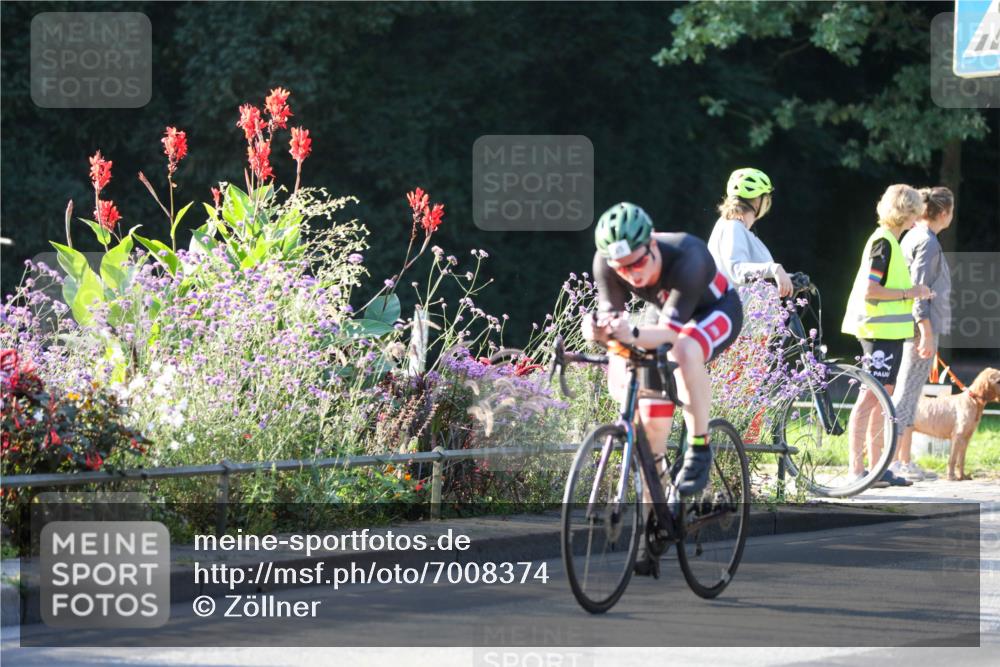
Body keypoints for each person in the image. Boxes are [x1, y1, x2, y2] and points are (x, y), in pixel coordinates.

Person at [583, 202, 744, 574]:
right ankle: (651, 533)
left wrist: (631, 333)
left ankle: (700, 446)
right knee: (650, 431)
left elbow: (670, 334)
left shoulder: (689, 254)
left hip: (714, 310)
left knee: (686, 347)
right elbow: (613, 323)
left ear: (652, 244)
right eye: (623, 269)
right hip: (663, 316)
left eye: (638, 264)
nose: (632, 275)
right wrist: (596, 331)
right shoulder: (608, 263)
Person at [841, 184, 935, 487]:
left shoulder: (891, 242)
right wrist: (912, 292)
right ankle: (857, 469)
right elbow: (872, 290)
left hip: (888, 333)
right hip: (877, 331)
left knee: (882, 399)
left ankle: (877, 468)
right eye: (913, 212)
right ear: (905, 212)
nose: (916, 218)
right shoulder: (882, 242)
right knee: (870, 398)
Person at [888, 187, 954, 482]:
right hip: (918, 328)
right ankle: (889, 462)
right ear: (944, 213)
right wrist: (925, 330)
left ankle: (901, 459)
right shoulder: (927, 242)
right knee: (906, 392)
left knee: (910, 393)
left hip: (912, 325)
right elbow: (919, 289)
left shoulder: (915, 235)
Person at [707, 168, 793, 298]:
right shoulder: (732, 226)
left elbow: (754, 278)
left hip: (754, 315)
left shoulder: (738, 229)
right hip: (738, 315)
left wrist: (786, 277)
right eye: (767, 198)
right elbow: (737, 270)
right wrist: (773, 269)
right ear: (759, 201)